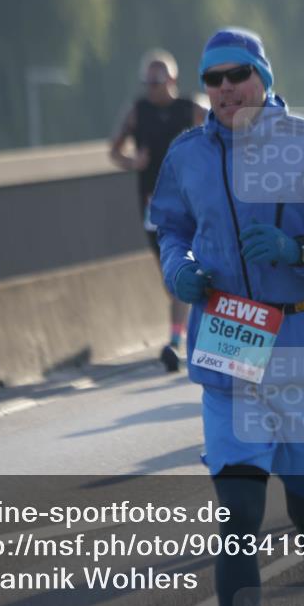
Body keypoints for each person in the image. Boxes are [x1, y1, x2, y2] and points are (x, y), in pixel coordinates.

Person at [151, 28, 304, 606]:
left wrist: (301, 247)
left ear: (264, 76)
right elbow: (170, 228)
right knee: (238, 516)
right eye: (213, 78)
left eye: (238, 74)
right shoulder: (187, 155)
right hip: (228, 351)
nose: (226, 88)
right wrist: (178, 267)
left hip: (302, 349)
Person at [110, 49, 206, 372]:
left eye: (158, 81)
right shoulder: (138, 112)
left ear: (173, 79)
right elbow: (114, 150)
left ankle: (178, 341)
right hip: (154, 207)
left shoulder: (191, 108)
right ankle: (185, 335)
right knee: (171, 276)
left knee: (186, 267)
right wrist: (132, 162)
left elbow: (222, 135)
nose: (152, 87)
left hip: (191, 204)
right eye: (148, 82)